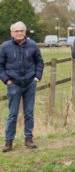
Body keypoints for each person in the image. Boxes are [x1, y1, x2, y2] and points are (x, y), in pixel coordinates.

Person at [0, 21, 44, 152]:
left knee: (29, 112)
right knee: (12, 114)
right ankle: (8, 142)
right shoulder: (5, 47)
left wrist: (37, 77)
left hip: (30, 83)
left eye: (21, 31)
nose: (19, 33)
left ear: (25, 32)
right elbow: (0, 66)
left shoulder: (32, 45)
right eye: (16, 31)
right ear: (12, 33)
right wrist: (7, 80)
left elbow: (39, 62)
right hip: (14, 84)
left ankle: (28, 139)